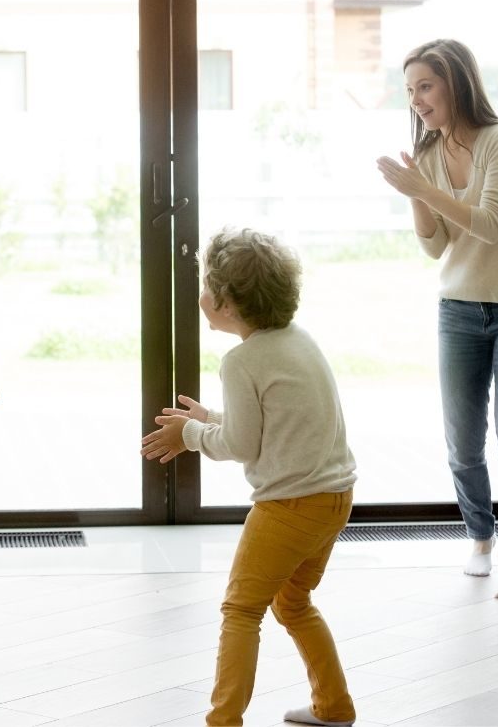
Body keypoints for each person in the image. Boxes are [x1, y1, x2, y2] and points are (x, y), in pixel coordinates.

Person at [141, 228, 357, 727]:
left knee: (241, 611)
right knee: (294, 601)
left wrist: (191, 435)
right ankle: (334, 706)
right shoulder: (299, 341)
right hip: (335, 497)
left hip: (290, 506)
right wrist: (213, 417)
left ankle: (222, 721)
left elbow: (242, 445)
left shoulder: (241, 360)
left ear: (224, 303)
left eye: (203, 285)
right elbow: (276, 419)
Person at [377, 39, 498, 599]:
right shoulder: (428, 152)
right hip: (458, 309)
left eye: (425, 86)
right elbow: (435, 248)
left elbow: (492, 224)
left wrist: (422, 187)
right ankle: (480, 536)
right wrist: (414, 196)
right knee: (461, 439)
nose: (417, 100)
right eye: (410, 90)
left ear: (456, 82)